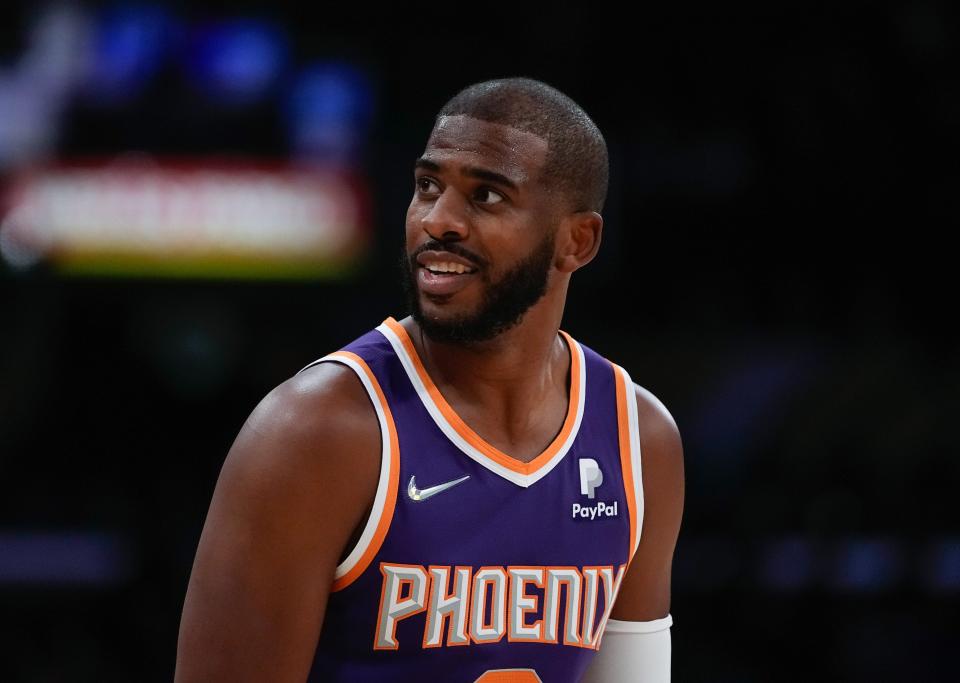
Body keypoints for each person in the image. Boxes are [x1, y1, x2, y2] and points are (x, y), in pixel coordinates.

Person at [175, 77, 685, 683]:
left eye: (487, 196)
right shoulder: (315, 430)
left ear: (577, 240)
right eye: (427, 187)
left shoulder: (638, 439)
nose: (439, 220)